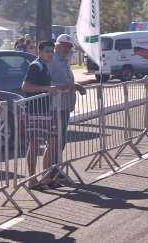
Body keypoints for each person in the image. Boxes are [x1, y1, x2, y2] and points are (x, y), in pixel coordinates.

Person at [45, 34, 86, 187]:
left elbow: (67, 80)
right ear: (58, 45)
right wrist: (71, 86)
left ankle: (55, 169)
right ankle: (50, 172)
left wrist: (74, 85)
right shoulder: (53, 60)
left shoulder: (64, 61)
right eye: (65, 46)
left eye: (69, 47)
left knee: (60, 140)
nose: (68, 49)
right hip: (56, 106)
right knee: (54, 141)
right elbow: (51, 83)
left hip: (65, 106)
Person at [21, 41, 60, 190]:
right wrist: (46, 89)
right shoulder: (35, 66)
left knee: (53, 141)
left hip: (45, 110)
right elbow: (25, 86)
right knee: (35, 143)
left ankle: (45, 176)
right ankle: (32, 180)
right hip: (34, 110)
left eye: (52, 51)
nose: (50, 54)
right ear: (40, 52)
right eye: (47, 51)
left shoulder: (45, 66)